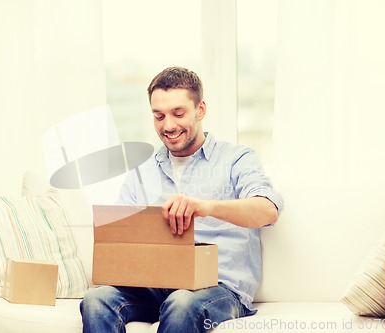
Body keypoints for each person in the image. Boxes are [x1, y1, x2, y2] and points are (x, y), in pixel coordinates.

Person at [80, 66, 284, 333]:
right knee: (95, 300)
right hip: (153, 286)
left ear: (200, 110)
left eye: (178, 113)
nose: (168, 126)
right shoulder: (141, 173)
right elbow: (123, 244)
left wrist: (204, 206)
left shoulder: (236, 159)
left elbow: (268, 210)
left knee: (182, 302)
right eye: (159, 116)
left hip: (217, 288)